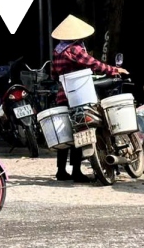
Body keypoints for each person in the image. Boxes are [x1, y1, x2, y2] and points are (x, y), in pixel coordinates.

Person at [49, 15, 128, 181]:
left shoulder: (58, 50)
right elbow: (93, 64)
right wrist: (113, 70)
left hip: (63, 96)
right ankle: (77, 171)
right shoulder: (75, 49)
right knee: (81, 130)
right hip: (79, 96)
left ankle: (61, 171)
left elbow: (54, 75)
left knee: (66, 134)